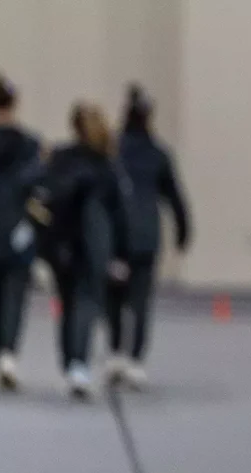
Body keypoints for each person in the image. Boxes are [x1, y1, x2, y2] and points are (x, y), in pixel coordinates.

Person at [26, 102, 131, 399]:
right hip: (92, 246)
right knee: (85, 303)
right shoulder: (106, 165)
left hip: (61, 243)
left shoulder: (60, 158)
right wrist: (121, 253)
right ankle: (79, 363)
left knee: (68, 303)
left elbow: (39, 194)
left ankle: (71, 361)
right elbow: (119, 213)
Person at [107, 84, 190, 388]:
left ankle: (116, 351)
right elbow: (174, 196)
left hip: (116, 235)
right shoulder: (158, 153)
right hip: (146, 235)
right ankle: (135, 360)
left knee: (114, 296)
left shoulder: (113, 150)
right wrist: (183, 230)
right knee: (140, 300)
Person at [0, 72, 43, 390]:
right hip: (19, 225)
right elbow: (39, 187)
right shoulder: (30, 145)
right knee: (15, 292)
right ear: (14, 103)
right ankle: (9, 353)